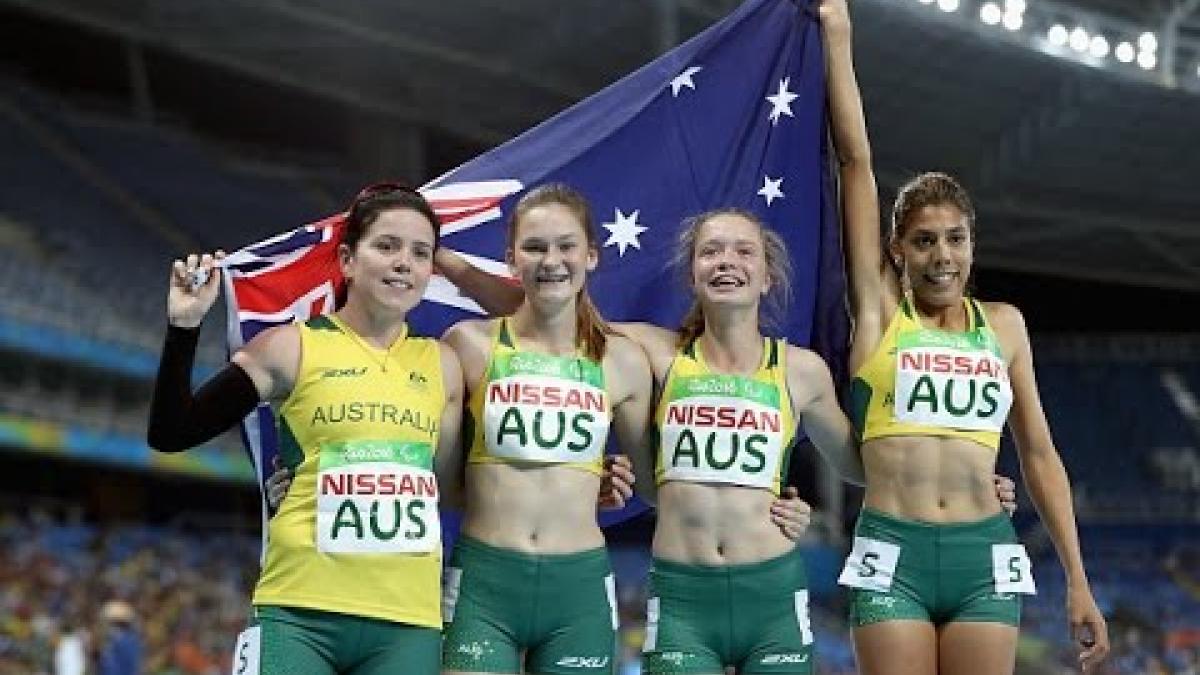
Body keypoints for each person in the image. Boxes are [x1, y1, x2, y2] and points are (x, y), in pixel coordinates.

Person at [820, 1, 1110, 673]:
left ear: (973, 246)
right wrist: (839, 37)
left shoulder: (1005, 326)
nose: (941, 255)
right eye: (924, 241)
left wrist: (1078, 578)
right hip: (894, 551)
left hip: (986, 552)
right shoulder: (881, 314)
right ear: (898, 250)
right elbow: (856, 162)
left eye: (955, 238)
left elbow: (1038, 451)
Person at [148, 184, 465, 674]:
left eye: (420, 253)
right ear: (347, 260)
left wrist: (581, 483)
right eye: (386, 246)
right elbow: (172, 432)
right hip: (299, 613)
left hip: (408, 623)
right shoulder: (289, 349)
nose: (404, 261)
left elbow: (451, 490)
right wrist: (184, 327)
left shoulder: (444, 366)